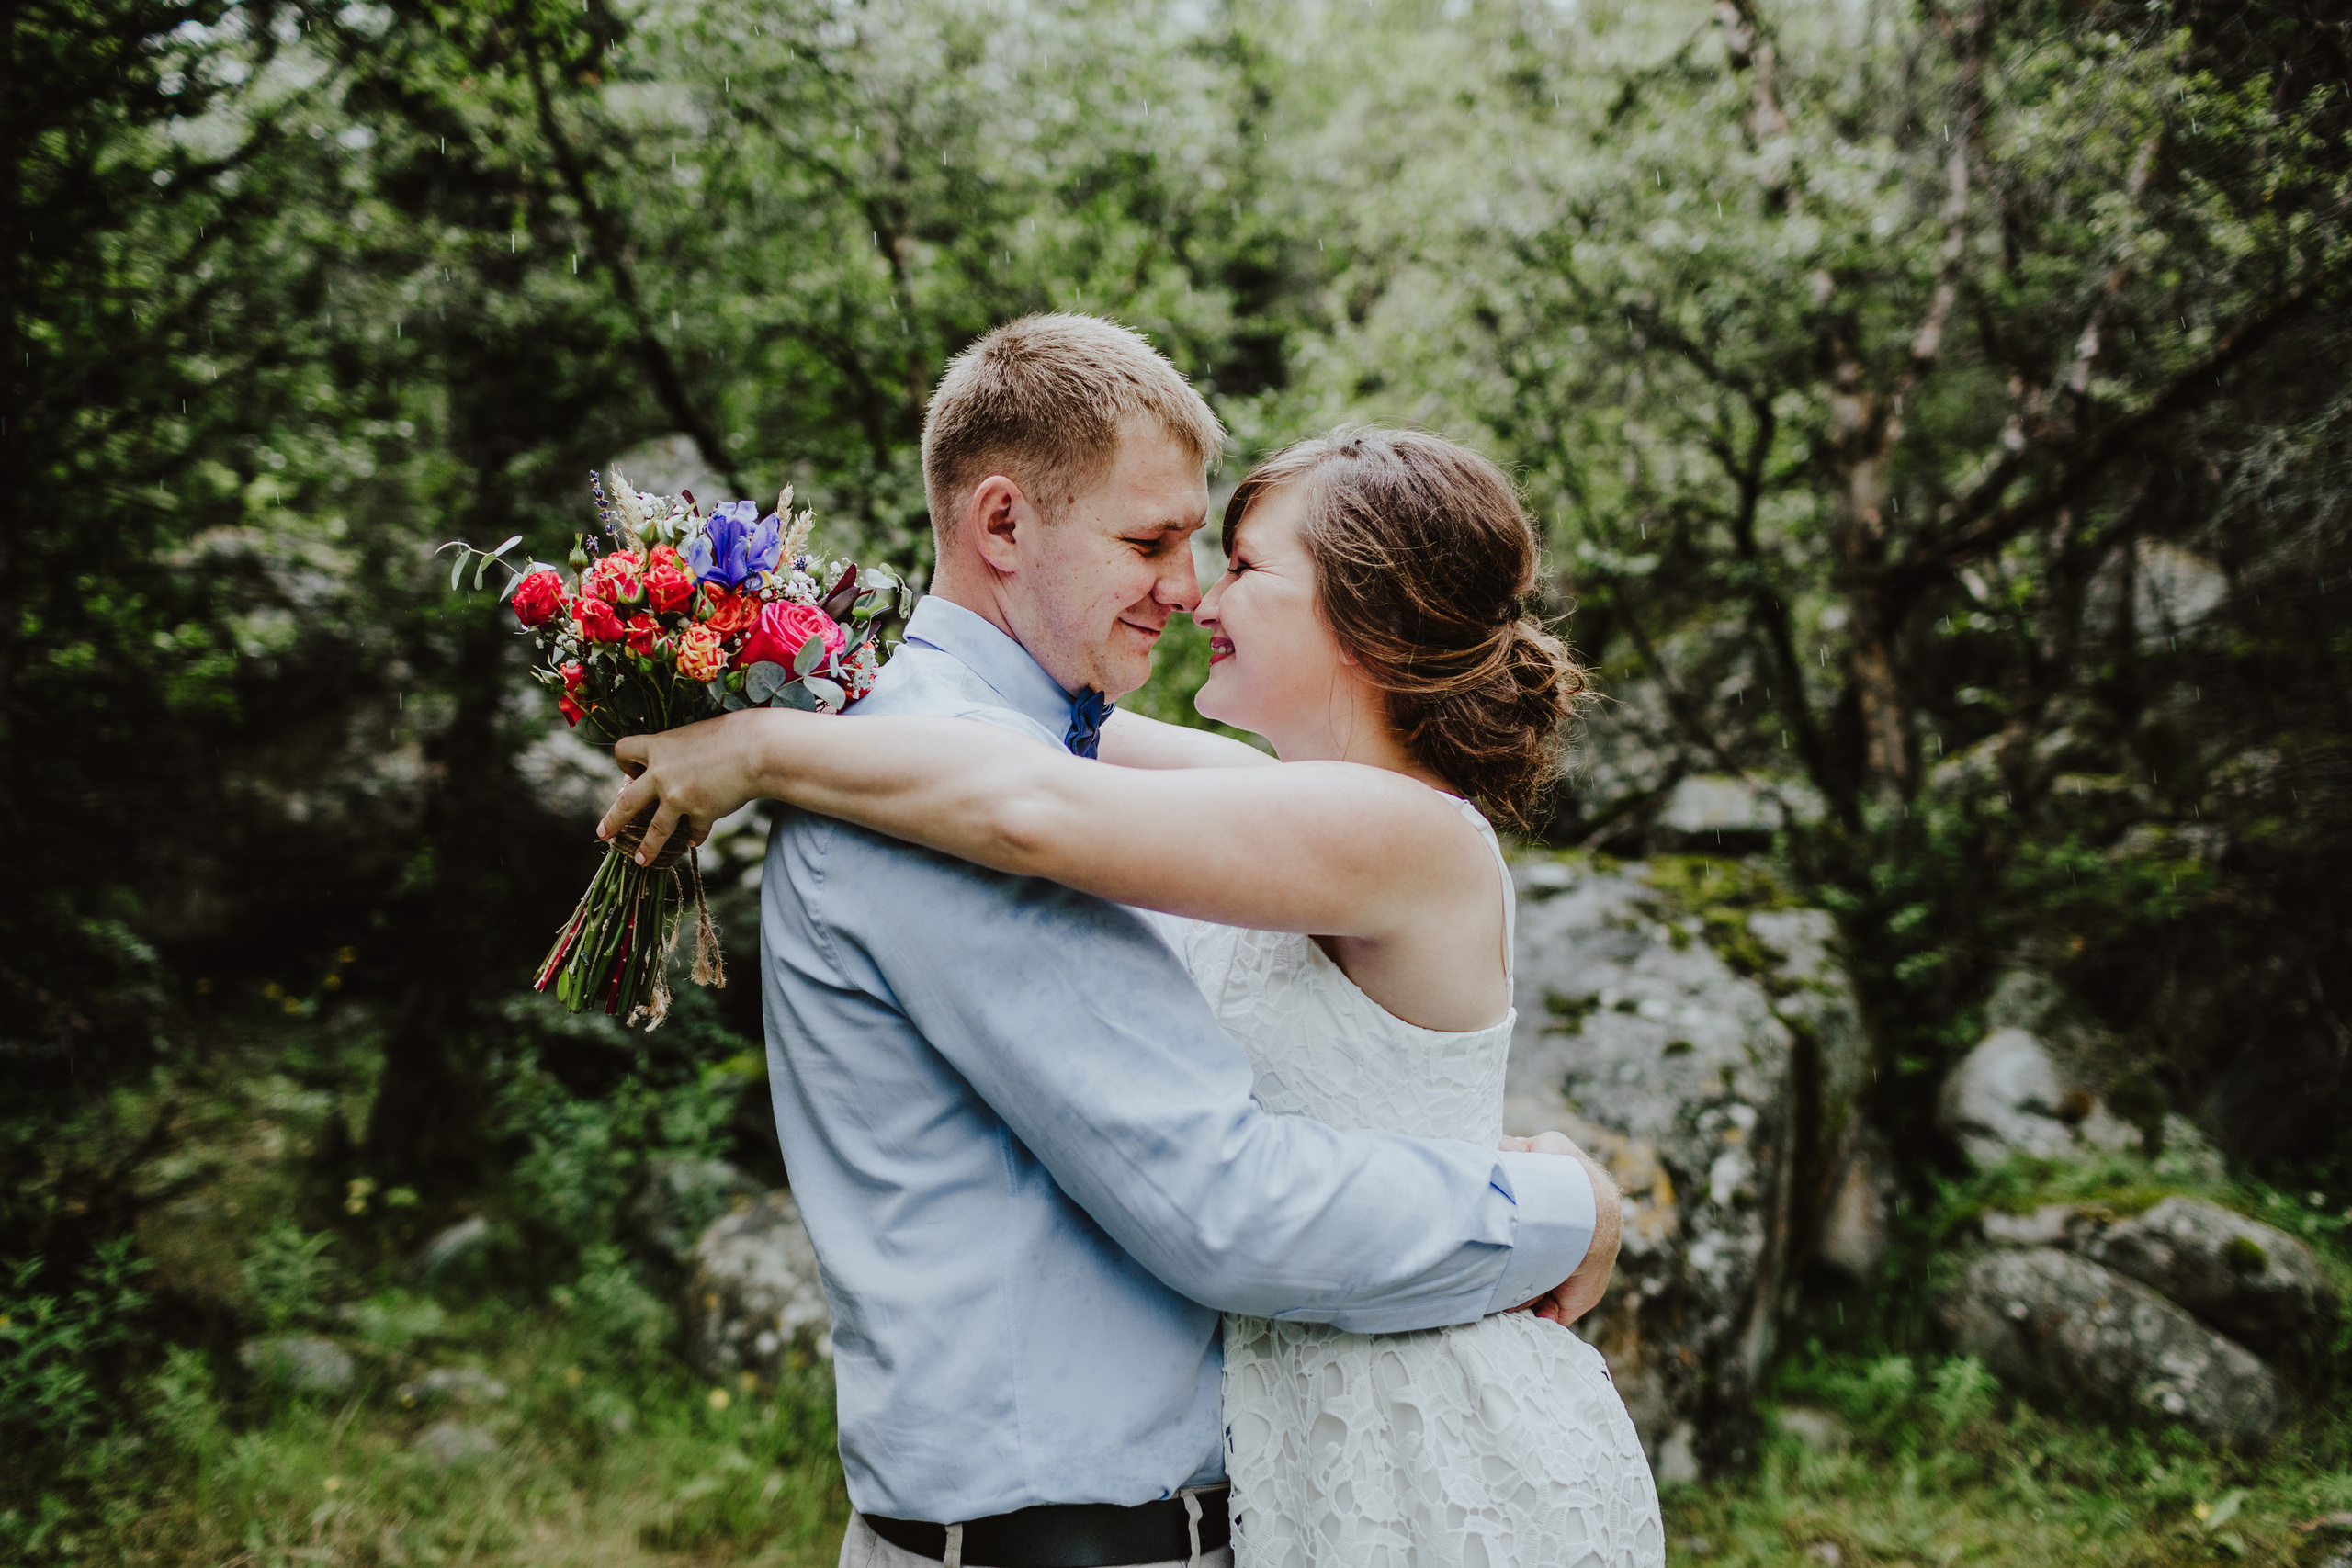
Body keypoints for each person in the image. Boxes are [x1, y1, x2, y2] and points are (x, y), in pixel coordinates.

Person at [601, 316, 1649, 1568]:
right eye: (1155, 542)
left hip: (1410, 1449)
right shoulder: (1020, 776)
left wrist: (769, 744)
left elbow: (1039, 796)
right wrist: (1552, 1204)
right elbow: (1037, 786)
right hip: (1203, 1487)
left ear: (1363, 621)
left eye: (1233, 564)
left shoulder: (1374, 827)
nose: (1194, 588)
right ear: (1001, 525)